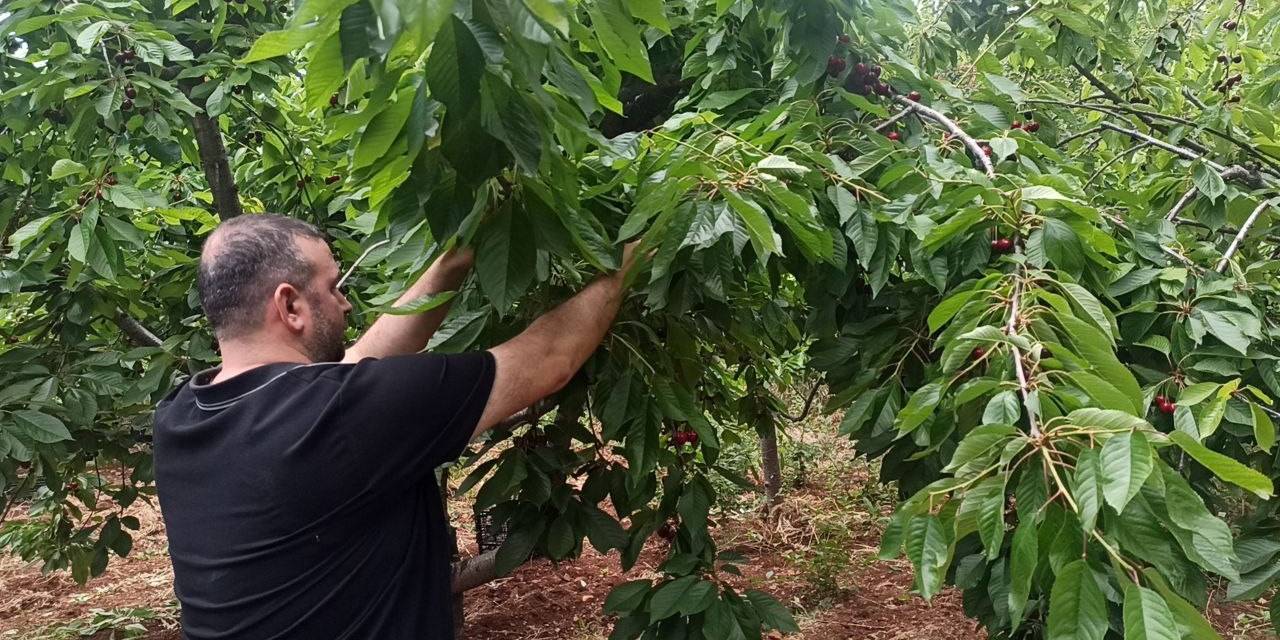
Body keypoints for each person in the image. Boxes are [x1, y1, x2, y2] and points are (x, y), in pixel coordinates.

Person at [153, 213, 638, 639]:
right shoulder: (347, 414)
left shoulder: (181, 415)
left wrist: (457, 259)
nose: (345, 305)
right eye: (333, 287)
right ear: (290, 306)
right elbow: (551, 359)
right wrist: (631, 260)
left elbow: (357, 361)